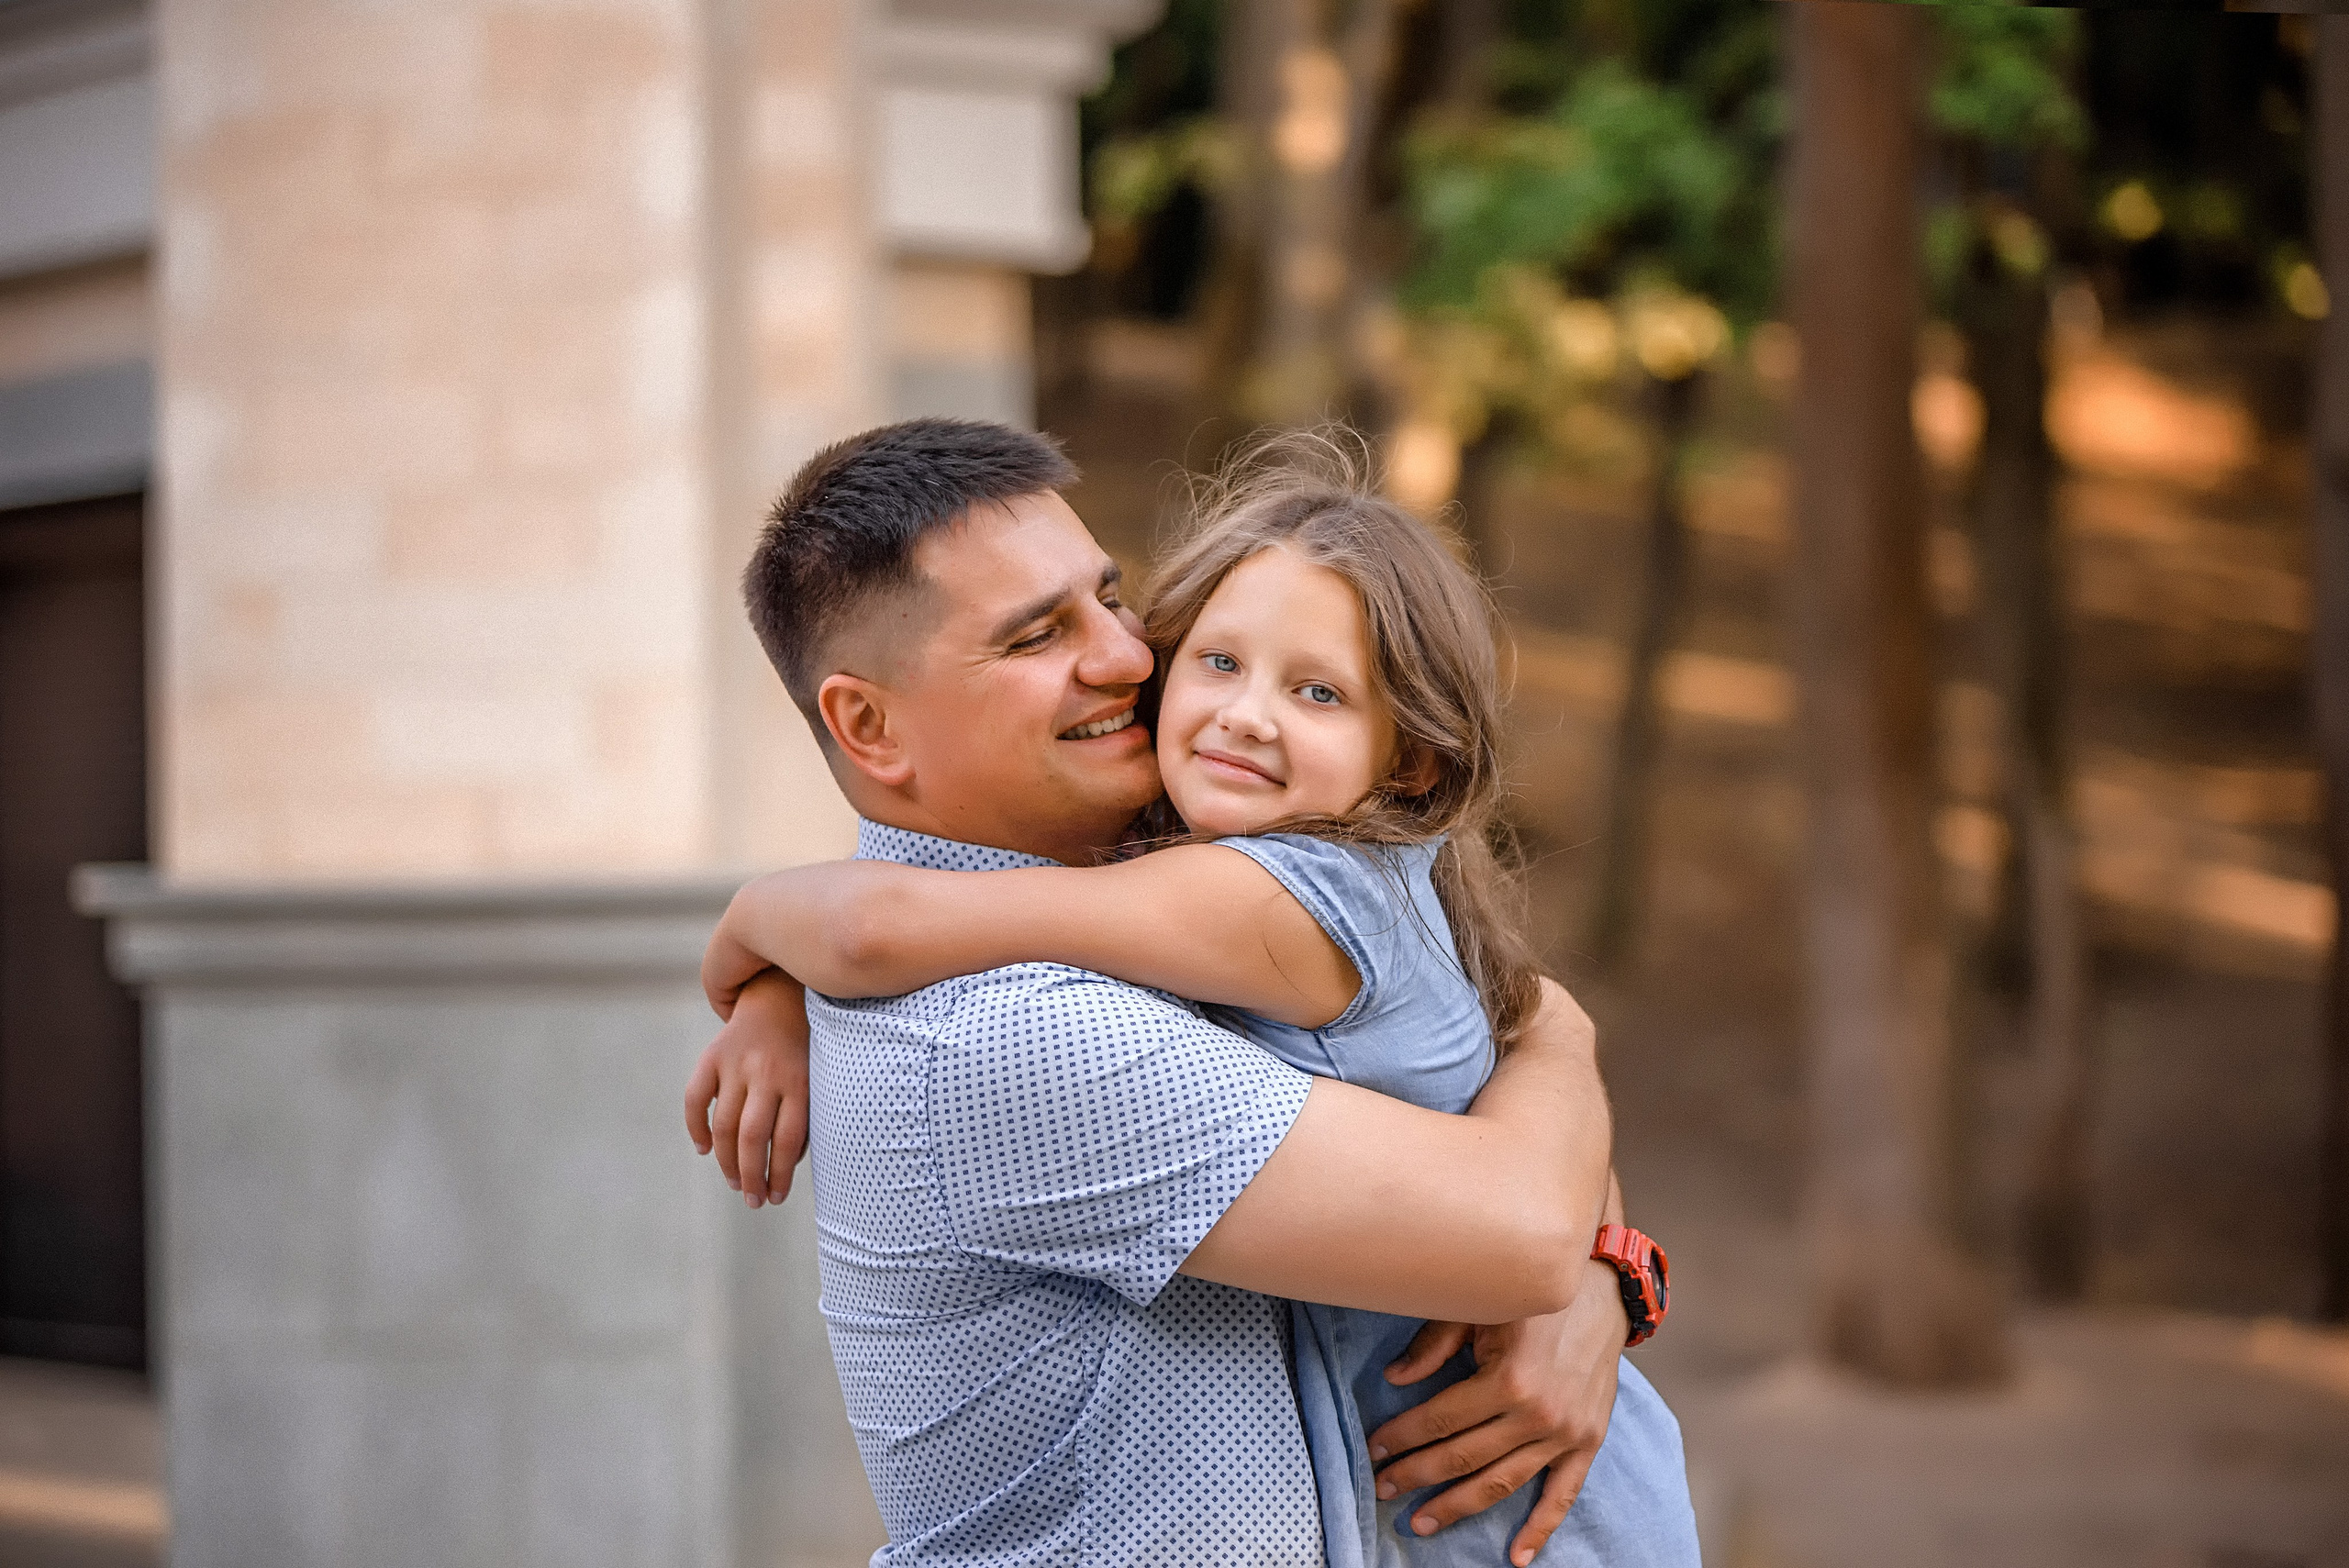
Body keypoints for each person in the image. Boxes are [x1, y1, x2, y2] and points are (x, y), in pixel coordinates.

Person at [697, 433, 1700, 1568]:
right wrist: (773, 946)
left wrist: (1604, 1269)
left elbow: (1503, 1049)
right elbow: (1519, 1220)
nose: (1130, 656)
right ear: (868, 725)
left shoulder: (1201, 875)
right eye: (1039, 633)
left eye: (1111, 599)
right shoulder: (1005, 1030)